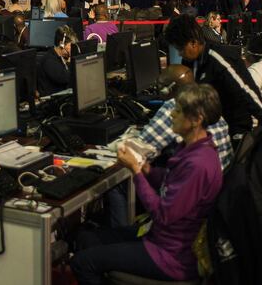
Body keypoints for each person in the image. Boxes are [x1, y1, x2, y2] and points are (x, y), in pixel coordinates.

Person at [70, 83, 224, 283]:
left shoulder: (198, 165)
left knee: (82, 263)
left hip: (171, 255)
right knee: (86, 239)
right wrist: (146, 168)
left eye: (177, 111)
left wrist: (136, 171)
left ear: (196, 119)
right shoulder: (193, 148)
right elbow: (170, 181)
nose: (171, 115)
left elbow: (162, 214)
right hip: (162, 238)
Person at [163, 14, 262, 136]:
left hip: (233, 130)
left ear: (193, 43)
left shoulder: (220, 58)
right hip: (209, 125)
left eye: (180, 49)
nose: (180, 54)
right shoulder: (191, 60)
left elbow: (246, 89)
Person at [37, 25, 75, 96]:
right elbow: (65, 78)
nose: (73, 48)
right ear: (61, 44)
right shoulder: (49, 60)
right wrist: (70, 62)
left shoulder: (62, 57)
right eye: (71, 45)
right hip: (52, 101)